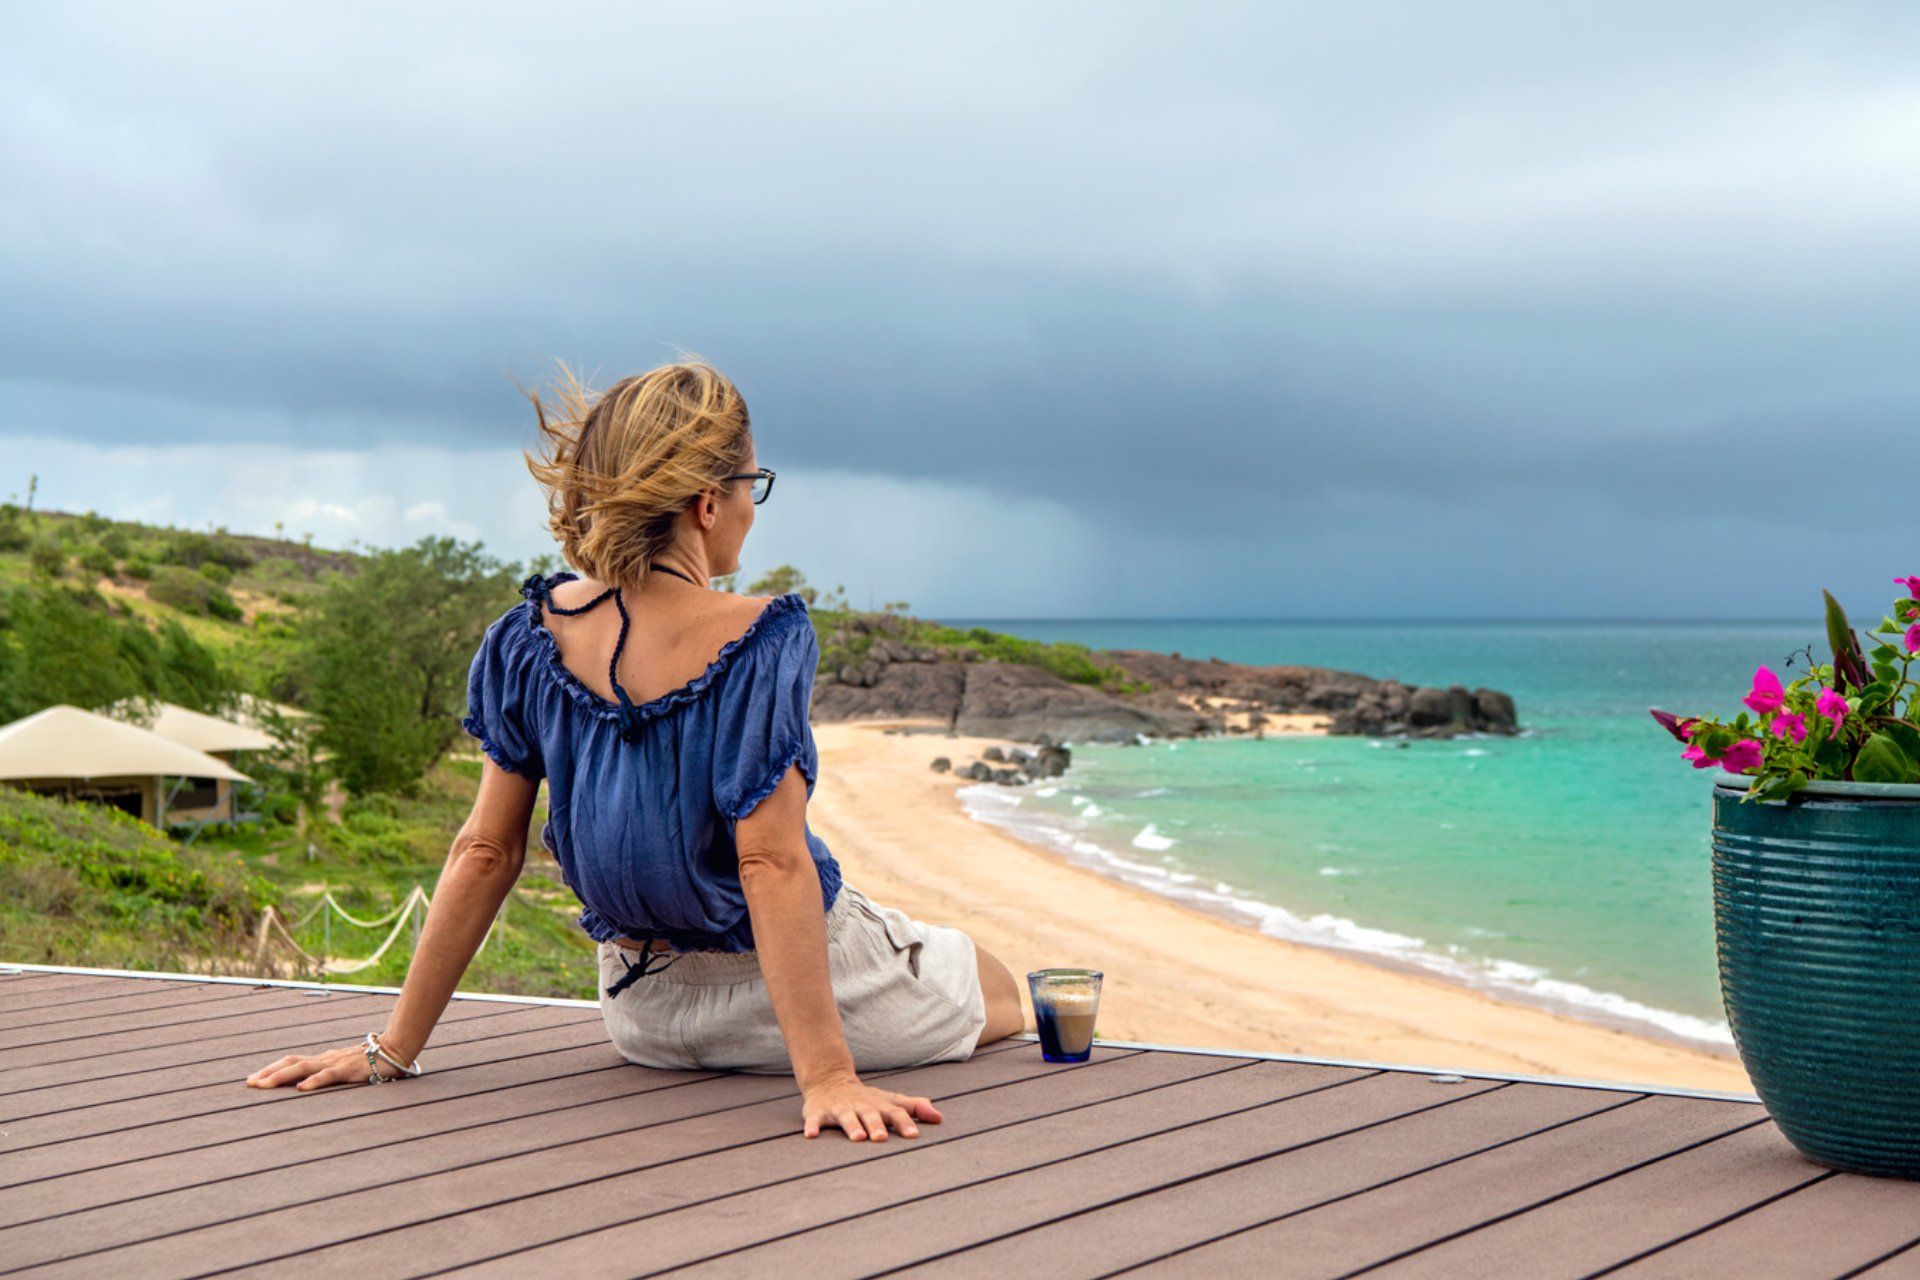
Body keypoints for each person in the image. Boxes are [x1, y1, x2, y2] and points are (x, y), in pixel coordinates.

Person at [243, 359, 1027, 1142]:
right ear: (707, 502)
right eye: (753, 483)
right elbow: (770, 864)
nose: (754, 508)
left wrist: (392, 1050)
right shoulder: (762, 635)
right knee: (1001, 989)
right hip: (796, 1000)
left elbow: (484, 849)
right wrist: (827, 1077)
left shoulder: (527, 636)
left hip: (643, 1017)